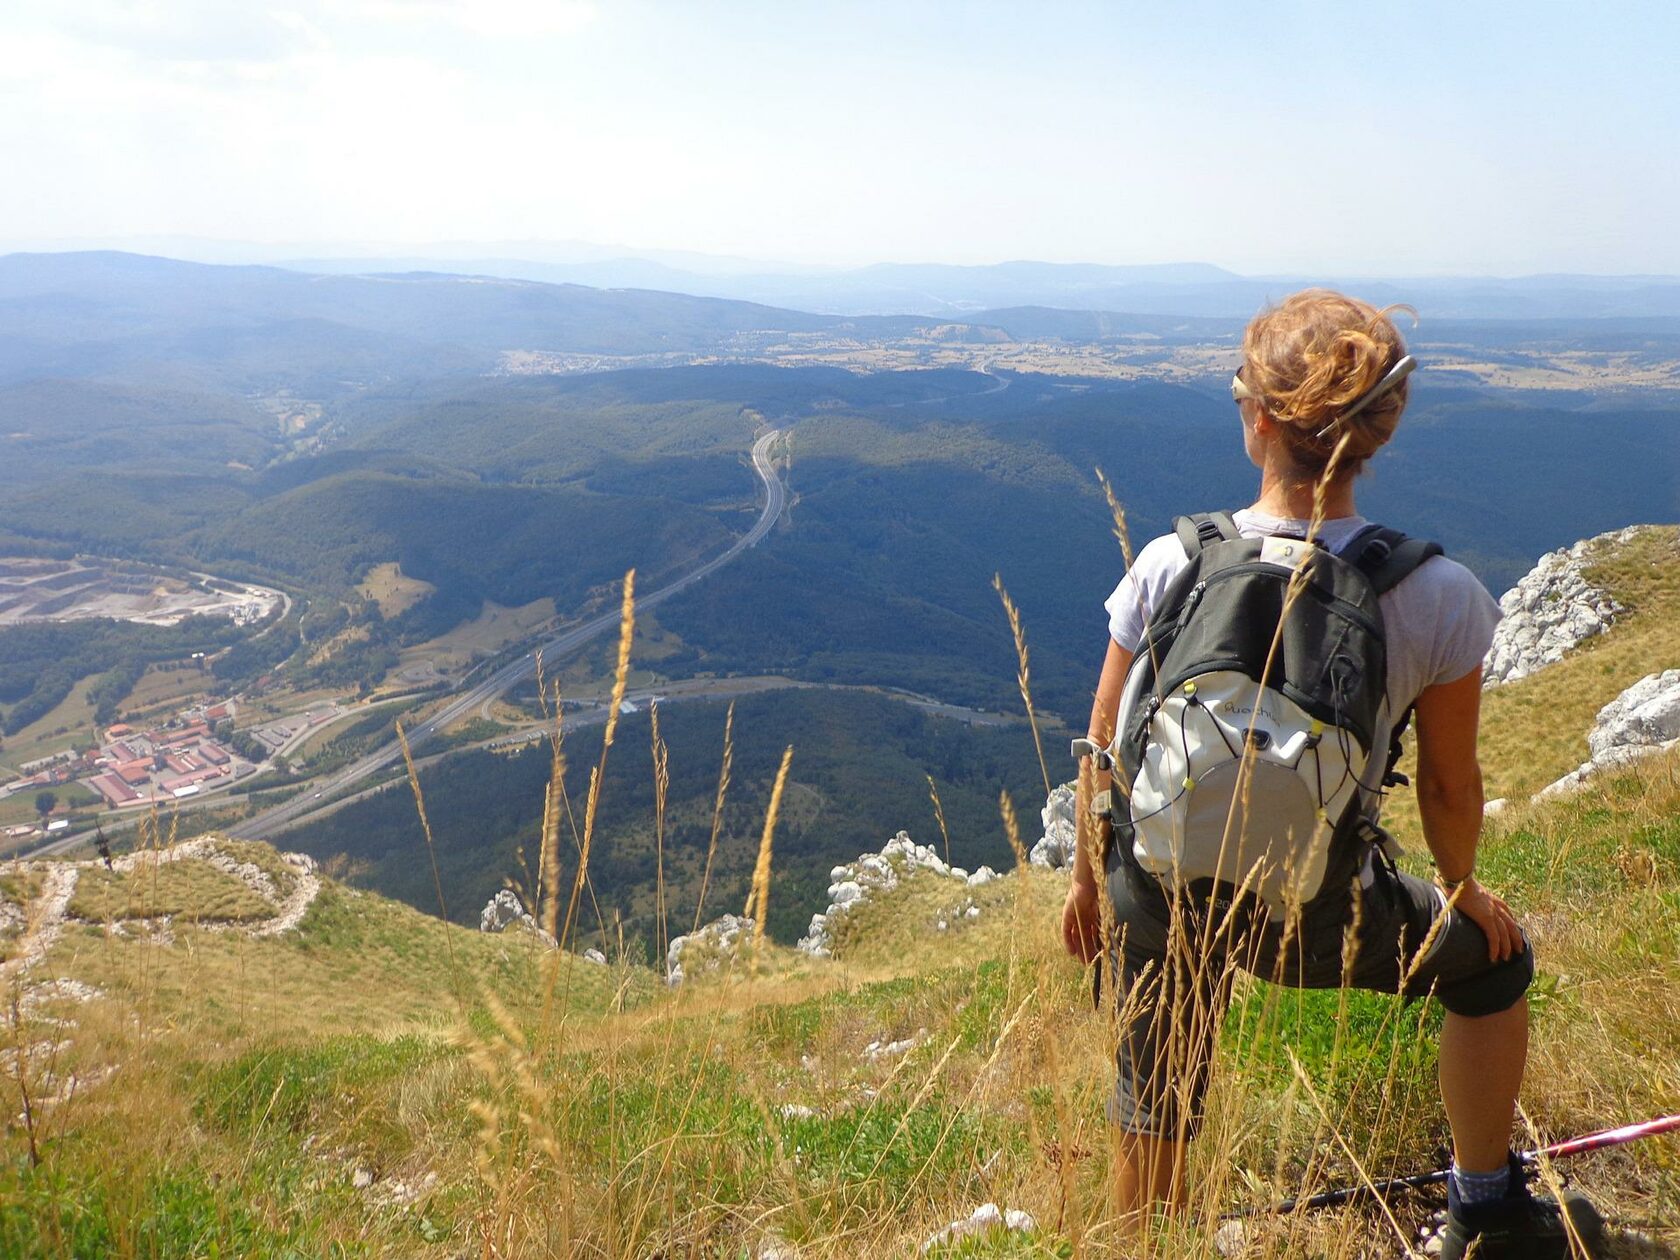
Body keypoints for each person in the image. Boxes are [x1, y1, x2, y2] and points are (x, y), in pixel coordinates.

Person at [1060, 290, 1598, 1258]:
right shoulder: (1436, 594)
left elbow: (1105, 748)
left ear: (1258, 421)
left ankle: (1146, 1240)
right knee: (1497, 970)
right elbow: (1445, 786)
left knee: (1157, 1075)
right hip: (1321, 910)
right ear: (1382, 432)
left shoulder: (1168, 565)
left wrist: (1089, 882)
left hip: (1162, 889)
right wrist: (1464, 889)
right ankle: (1485, 1207)